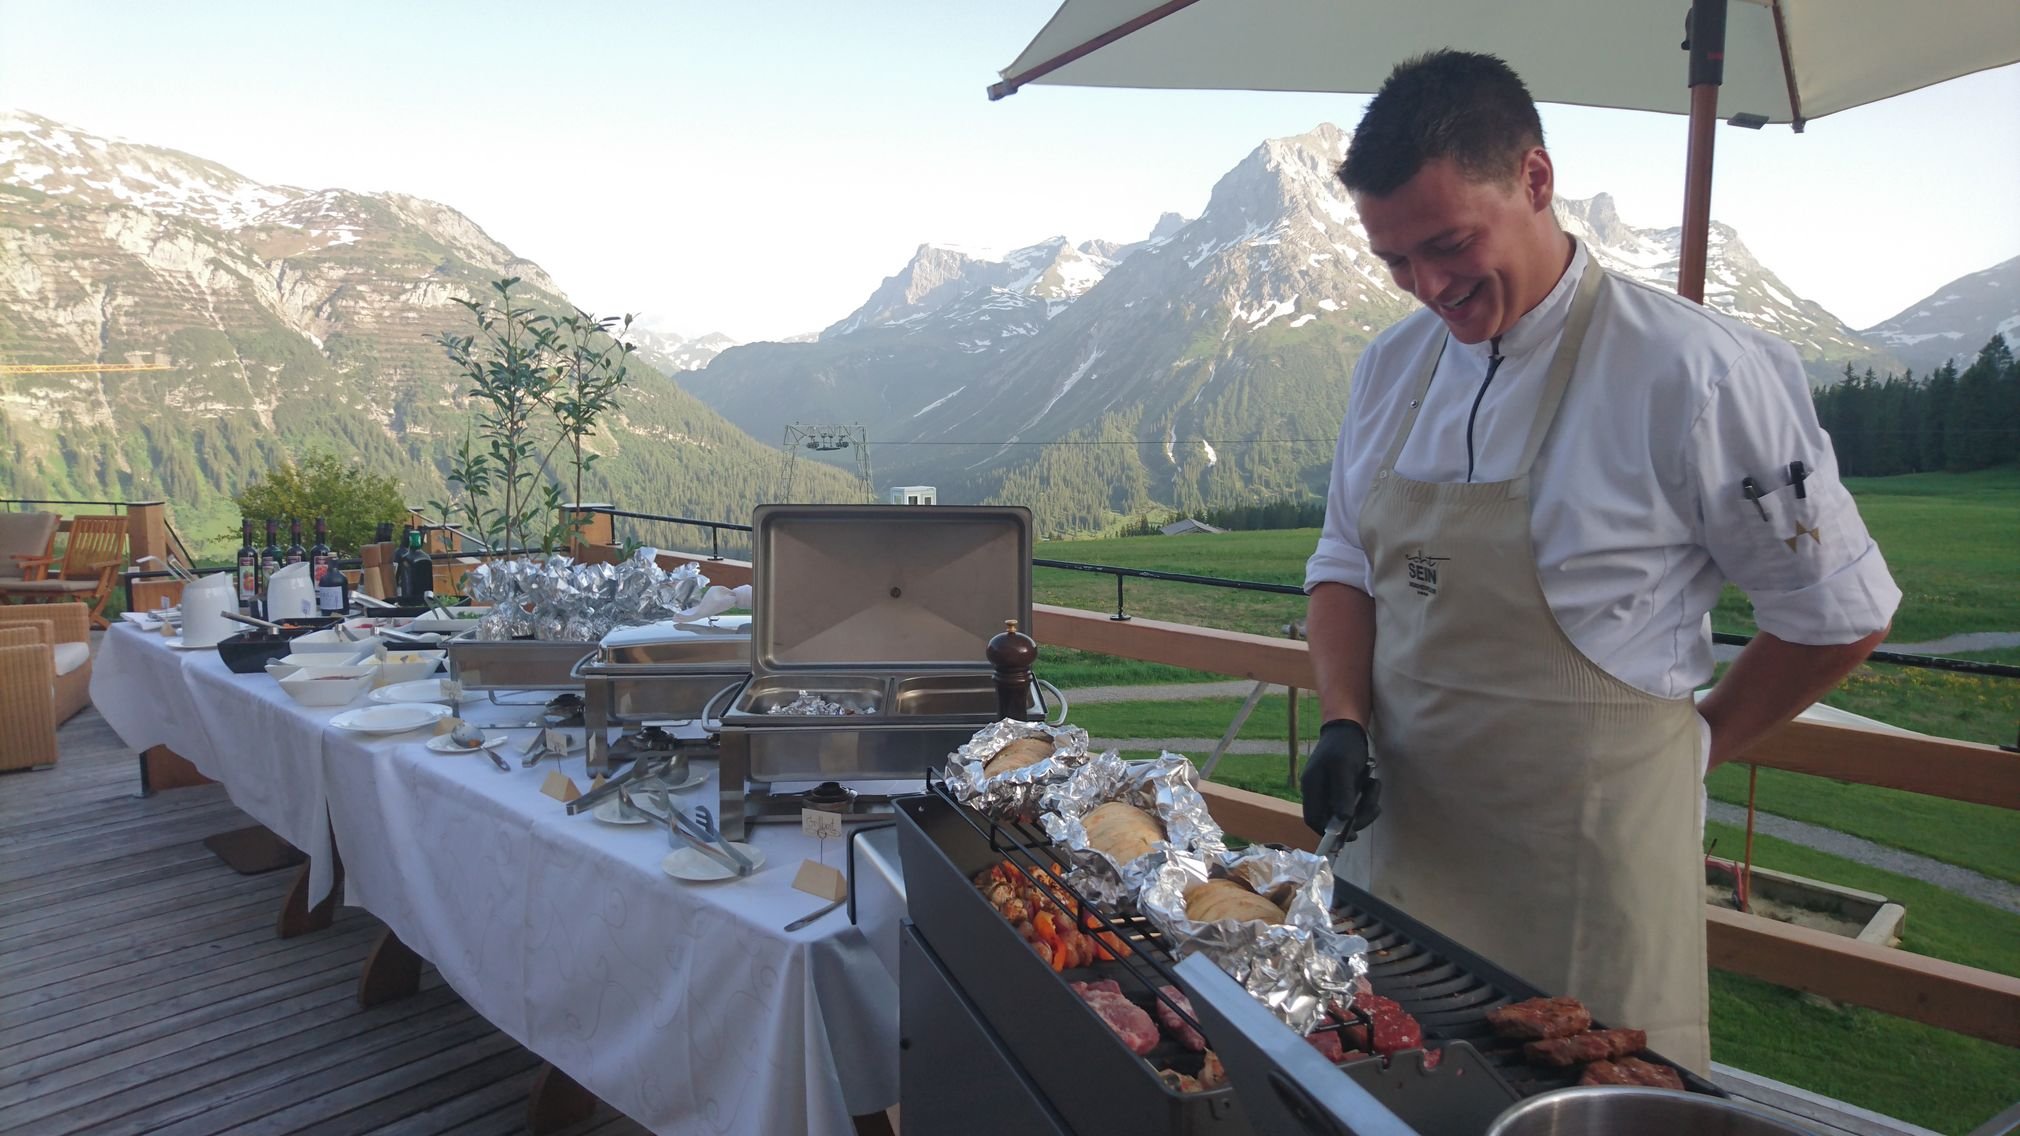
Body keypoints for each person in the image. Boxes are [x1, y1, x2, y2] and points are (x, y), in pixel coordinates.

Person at [1300, 50, 1899, 1073]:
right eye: (1395, 261)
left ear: (1534, 179)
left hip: (1590, 876)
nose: (1429, 287)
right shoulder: (1390, 366)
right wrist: (1343, 719)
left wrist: (1695, 744)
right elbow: (1346, 563)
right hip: (1403, 849)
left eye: (1449, 244)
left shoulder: (1694, 370)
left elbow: (1838, 610)